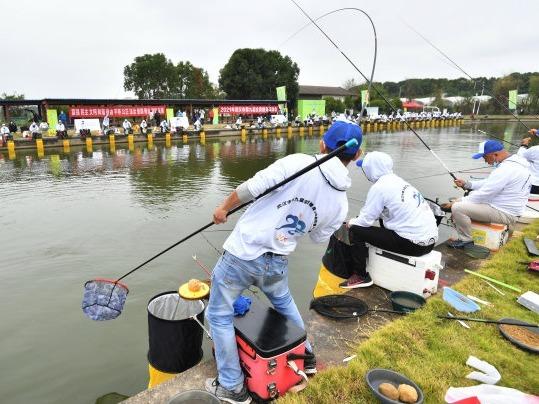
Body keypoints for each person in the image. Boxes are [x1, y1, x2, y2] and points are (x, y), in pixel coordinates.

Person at [204, 120, 363, 403]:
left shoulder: (297, 163)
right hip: (276, 261)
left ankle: (232, 387)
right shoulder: (341, 203)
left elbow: (250, 189)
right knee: (283, 303)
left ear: (323, 144)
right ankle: (307, 357)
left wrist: (223, 208)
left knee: (218, 315)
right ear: (357, 156)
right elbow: (318, 237)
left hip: (242, 255)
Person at [343, 151, 438, 288]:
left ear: (371, 169)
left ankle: (361, 276)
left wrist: (351, 222)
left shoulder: (379, 187)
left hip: (413, 245)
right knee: (377, 221)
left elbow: (365, 221)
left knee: (356, 230)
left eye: (365, 169)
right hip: (430, 243)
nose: (364, 172)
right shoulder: (399, 181)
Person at [443, 140, 531, 248]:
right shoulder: (517, 163)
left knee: (458, 208)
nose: (485, 161)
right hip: (511, 210)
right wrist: (468, 184)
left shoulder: (506, 169)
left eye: (485, 157)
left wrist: (458, 201)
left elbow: (485, 193)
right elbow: (490, 182)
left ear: (494, 154)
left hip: (505, 212)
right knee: (469, 198)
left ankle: (466, 240)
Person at [519, 128, 539, 194]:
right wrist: (537, 132)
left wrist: (524, 145)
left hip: (533, 186)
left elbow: (519, 157)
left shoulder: (535, 149)